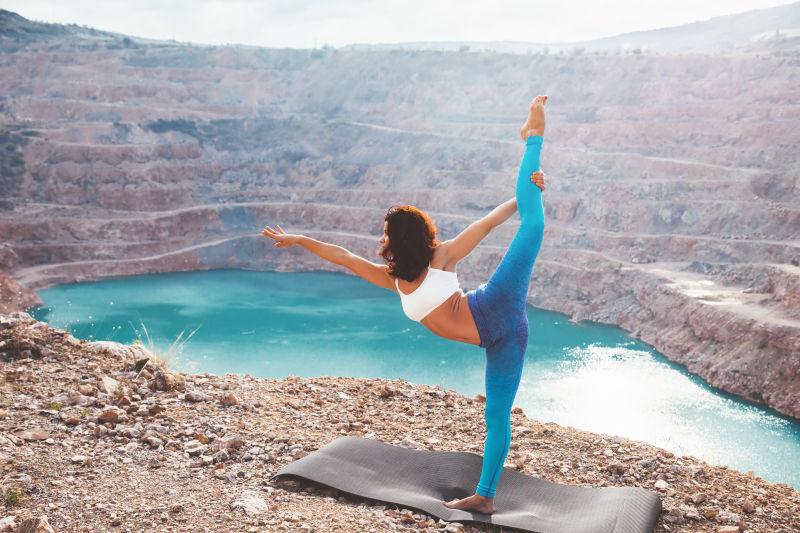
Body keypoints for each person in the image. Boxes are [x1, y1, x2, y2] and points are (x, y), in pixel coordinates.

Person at [262, 95, 548, 514]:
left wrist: (522, 198)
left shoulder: (442, 257)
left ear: (402, 237)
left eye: (385, 232)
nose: (380, 238)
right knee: (497, 417)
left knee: (534, 223)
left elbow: (485, 225)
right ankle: (485, 497)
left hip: (497, 304)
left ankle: (533, 138)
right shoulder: (392, 279)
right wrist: (299, 240)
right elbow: (341, 255)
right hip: (501, 340)